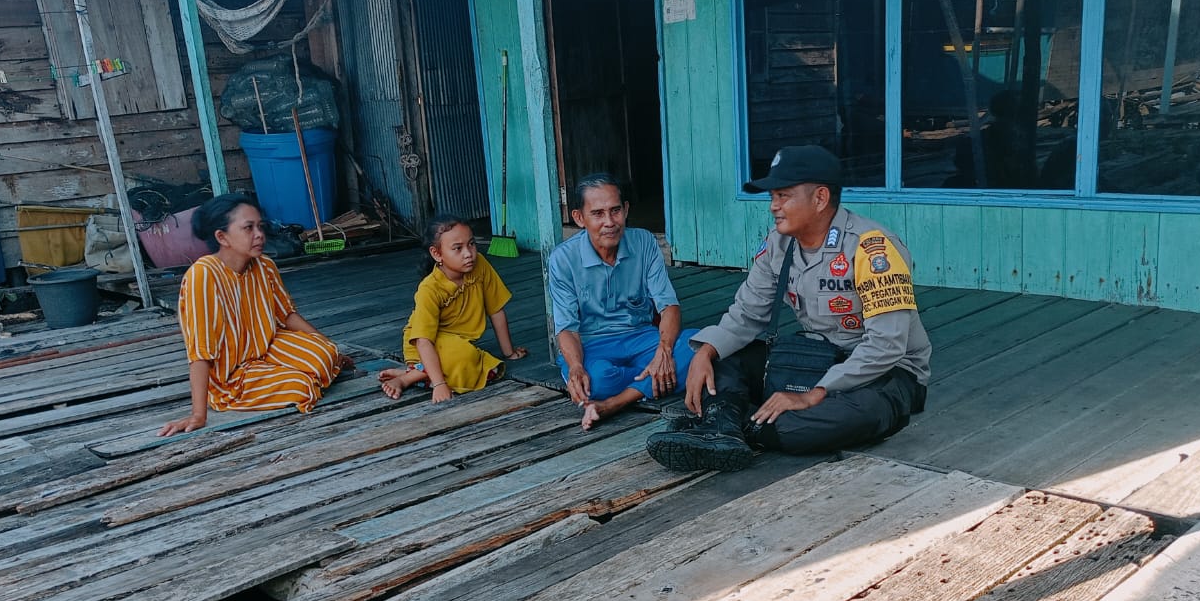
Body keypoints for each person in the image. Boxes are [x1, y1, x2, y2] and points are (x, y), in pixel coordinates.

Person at [647, 145, 931, 472]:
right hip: (818, 358)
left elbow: (887, 346)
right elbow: (748, 313)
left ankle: (732, 426)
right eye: (773, 196)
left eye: (783, 196)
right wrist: (706, 351)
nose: (773, 206)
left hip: (885, 373)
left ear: (820, 198)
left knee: (853, 415)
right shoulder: (779, 244)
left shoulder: (872, 248)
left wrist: (815, 394)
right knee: (726, 359)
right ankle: (721, 427)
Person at [157, 193, 352, 437]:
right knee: (302, 386)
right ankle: (270, 382)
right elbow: (201, 350)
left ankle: (287, 371)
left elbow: (288, 315)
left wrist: (331, 348)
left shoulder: (264, 265)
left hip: (268, 347)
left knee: (326, 354)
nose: (259, 234)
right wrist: (198, 414)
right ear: (222, 237)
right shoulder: (203, 275)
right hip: (232, 373)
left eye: (260, 226)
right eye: (248, 228)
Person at [547, 172, 698, 430]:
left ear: (626, 210)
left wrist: (664, 350)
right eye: (597, 214)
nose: (609, 222)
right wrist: (574, 367)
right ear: (579, 218)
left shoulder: (644, 242)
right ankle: (655, 379)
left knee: (700, 346)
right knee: (595, 380)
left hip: (641, 337)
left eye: (615, 210)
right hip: (592, 345)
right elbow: (567, 327)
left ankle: (616, 402)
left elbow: (668, 305)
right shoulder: (562, 259)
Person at [379, 216, 527, 403]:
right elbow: (423, 341)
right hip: (426, 345)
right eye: (458, 248)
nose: (468, 253)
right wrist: (440, 385)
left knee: (489, 367)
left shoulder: (480, 265)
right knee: (467, 359)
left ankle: (417, 372)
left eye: (471, 244)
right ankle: (407, 378)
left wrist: (509, 352)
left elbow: (496, 310)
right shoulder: (429, 289)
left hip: (459, 344)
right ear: (437, 254)